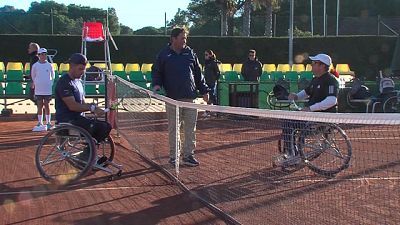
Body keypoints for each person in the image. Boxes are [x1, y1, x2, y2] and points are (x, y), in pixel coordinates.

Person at [152, 27, 209, 167]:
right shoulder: (164, 54)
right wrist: (157, 85)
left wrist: (204, 90)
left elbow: (198, 74)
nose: (185, 40)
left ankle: (188, 155)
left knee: (190, 129)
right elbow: (156, 71)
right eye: (182, 38)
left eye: (185, 38)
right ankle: (174, 157)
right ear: (174, 38)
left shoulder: (190, 53)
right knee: (174, 129)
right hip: (172, 99)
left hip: (190, 98)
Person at [280, 53, 339, 160]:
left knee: (288, 124)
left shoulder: (331, 80)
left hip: (322, 120)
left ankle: (293, 155)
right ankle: (292, 152)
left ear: (322, 66)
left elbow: (332, 100)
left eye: (314, 63)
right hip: (310, 117)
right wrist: (296, 96)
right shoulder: (315, 79)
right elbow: (307, 92)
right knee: (288, 121)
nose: (311, 65)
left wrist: (310, 108)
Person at [55, 53, 111, 157]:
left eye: (84, 69)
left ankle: (88, 152)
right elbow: (73, 106)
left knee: (106, 126)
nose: (82, 72)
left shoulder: (78, 82)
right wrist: (92, 108)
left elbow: (83, 103)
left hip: (77, 119)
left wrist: (95, 108)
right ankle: (87, 155)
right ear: (71, 66)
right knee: (100, 127)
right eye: (80, 69)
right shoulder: (64, 82)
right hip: (67, 120)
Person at [31, 48, 55, 131]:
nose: (44, 55)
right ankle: (40, 122)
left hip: (47, 89)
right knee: (39, 105)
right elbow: (33, 75)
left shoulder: (50, 65)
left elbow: (53, 75)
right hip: (39, 89)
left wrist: (50, 83)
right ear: (39, 55)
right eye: (42, 54)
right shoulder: (35, 66)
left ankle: (48, 122)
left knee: (47, 105)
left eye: (45, 54)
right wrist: (35, 83)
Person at [203, 49, 221, 116]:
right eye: (205, 55)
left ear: (210, 55)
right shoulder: (206, 63)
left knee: (212, 96)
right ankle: (209, 111)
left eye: (206, 55)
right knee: (210, 96)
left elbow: (218, 73)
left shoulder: (214, 63)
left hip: (212, 82)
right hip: (207, 82)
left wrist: (214, 79)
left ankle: (216, 111)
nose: (205, 56)